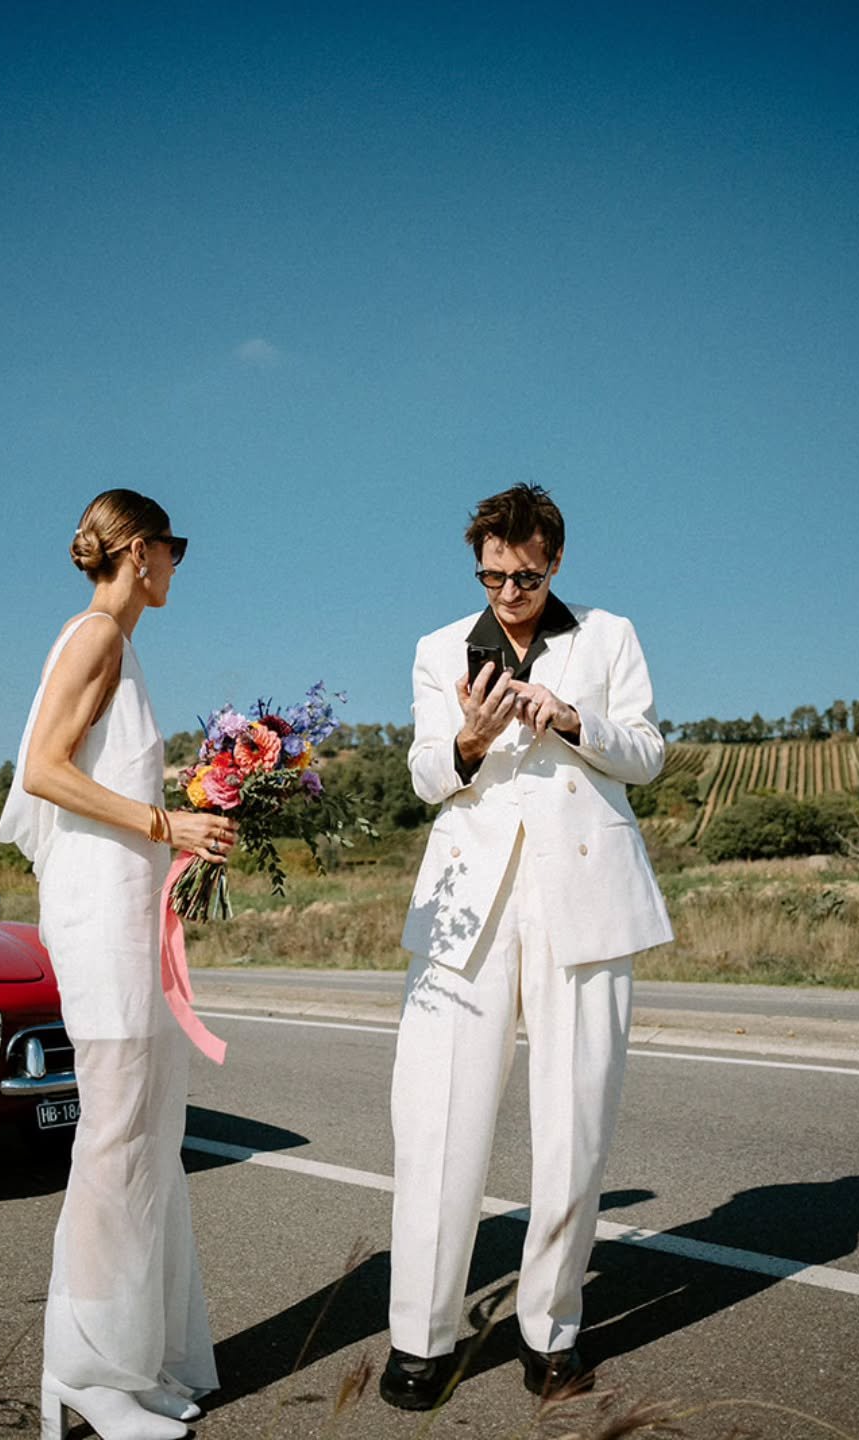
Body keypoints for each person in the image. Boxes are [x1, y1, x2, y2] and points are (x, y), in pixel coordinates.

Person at [380, 483, 673, 1411]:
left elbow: (649, 752)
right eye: (493, 576)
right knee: (436, 1120)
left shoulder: (608, 637)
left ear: (556, 561)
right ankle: (421, 1338)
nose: (510, 593)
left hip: (584, 899)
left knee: (575, 1122)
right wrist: (468, 740)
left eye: (528, 577)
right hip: (466, 906)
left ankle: (552, 1332)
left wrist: (574, 719)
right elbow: (425, 775)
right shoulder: (438, 649)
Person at [0, 489, 238, 1440]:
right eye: (174, 547)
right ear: (140, 550)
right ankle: (85, 1375)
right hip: (99, 927)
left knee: (148, 1137)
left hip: (131, 919)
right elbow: (43, 771)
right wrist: (165, 822)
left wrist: (189, 825)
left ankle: (137, 1365)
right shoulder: (95, 635)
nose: (179, 564)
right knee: (114, 1140)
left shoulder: (122, 648)